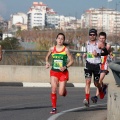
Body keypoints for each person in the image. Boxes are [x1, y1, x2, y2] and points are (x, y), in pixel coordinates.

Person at [45, 33, 73, 114]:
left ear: (63, 40)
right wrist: (47, 63)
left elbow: (72, 61)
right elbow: (47, 57)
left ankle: (64, 91)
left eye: (62, 39)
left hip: (63, 73)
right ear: (56, 39)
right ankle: (54, 108)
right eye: (59, 38)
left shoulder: (66, 50)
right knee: (53, 89)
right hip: (54, 72)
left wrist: (65, 67)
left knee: (61, 93)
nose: (60, 40)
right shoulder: (52, 49)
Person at [83, 29, 108, 107]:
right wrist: (85, 55)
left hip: (97, 65)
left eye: (94, 35)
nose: (92, 36)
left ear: (96, 35)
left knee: (96, 83)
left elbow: (105, 53)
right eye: (90, 34)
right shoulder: (87, 43)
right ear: (89, 35)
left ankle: (102, 89)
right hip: (88, 65)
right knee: (87, 82)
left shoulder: (99, 44)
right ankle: (87, 100)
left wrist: (97, 54)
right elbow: (87, 52)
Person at [91, 32, 112, 103]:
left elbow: (109, 52)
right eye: (100, 38)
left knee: (99, 80)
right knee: (96, 82)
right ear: (98, 38)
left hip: (104, 65)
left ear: (105, 39)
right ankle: (104, 86)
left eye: (103, 38)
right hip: (97, 65)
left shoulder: (107, 46)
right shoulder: (96, 45)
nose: (102, 40)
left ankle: (96, 97)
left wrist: (111, 55)